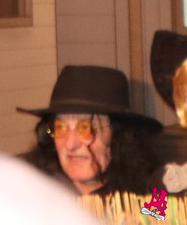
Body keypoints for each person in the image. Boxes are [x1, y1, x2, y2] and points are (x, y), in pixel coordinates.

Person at [18, 64, 163, 197]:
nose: (70, 144)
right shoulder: (28, 189)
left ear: (118, 136)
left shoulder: (151, 194)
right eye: (61, 128)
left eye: (86, 128)